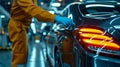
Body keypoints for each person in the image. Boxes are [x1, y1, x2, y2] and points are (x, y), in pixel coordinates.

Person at [8, 0, 74, 67]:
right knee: (20, 55)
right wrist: (55, 17)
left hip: (23, 27)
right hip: (17, 26)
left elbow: (37, 12)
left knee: (23, 54)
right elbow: (35, 11)